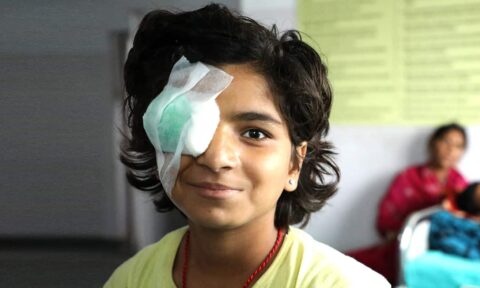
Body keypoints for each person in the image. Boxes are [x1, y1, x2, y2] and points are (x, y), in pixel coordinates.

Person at [104, 4, 389, 288]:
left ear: (295, 163)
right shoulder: (130, 280)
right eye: (186, 125)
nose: (215, 158)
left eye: (254, 133)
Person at [347, 123, 468, 284]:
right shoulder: (408, 177)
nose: (450, 149)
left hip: (445, 250)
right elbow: (386, 220)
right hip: (403, 247)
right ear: (433, 143)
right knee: (345, 267)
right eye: (445, 141)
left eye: (458, 146)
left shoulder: (461, 186)